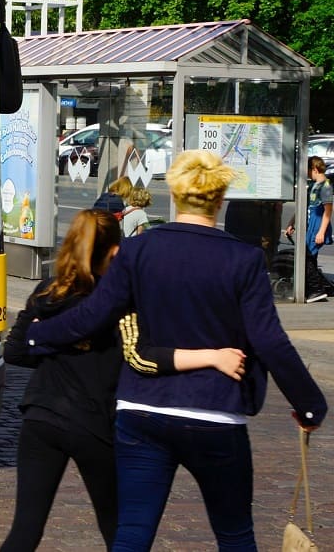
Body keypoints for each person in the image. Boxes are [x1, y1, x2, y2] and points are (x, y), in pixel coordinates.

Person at [25, 150, 327, 550]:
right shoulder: (244, 258)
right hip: (214, 411)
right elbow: (269, 340)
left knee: (132, 533)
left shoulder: (138, 250)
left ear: (176, 194)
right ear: (220, 200)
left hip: (142, 408)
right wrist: (309, 405)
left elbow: (93, 315)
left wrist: (38, 334)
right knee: (234, 534)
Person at [1, 209, 247, 551]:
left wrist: (54, 345)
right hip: (94, 423)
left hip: (41, 416)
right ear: (115, 253)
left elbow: (14, 352)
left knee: (25, 530)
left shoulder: (47, 291)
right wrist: (209, 356)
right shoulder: (119, 301)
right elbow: (141, 357)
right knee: (118, 529)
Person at [285, 155, 334, 303]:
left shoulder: (325, 187)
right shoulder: (313, 186)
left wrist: (321, 232)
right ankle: (317, 288)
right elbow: (303, 206)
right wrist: (292, 223)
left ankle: (316, 290)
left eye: (307, 170)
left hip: (317, 226)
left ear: (314, 168)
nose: (305, 173)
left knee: (306, 257)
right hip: (310, 226)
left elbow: (328, 211)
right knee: (308, 257)